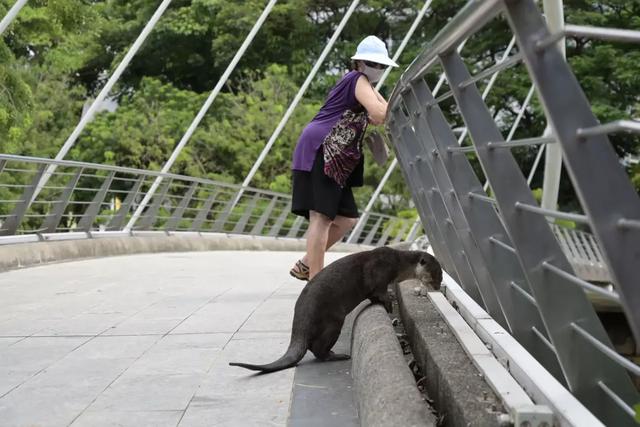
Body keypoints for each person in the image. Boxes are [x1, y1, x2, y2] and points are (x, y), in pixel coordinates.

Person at [289, 35, 398, 281]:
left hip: (337, 159)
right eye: (373, 63)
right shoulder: (357, 79)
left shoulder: (366, 86)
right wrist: (382, 112)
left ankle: (306, 263)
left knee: (346, 219)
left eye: (382, 65)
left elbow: (383, 110)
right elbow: (382, 113)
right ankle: (315, 282)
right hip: (322, 150)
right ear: (359, 63)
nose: (377, 69)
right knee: (322, 216)